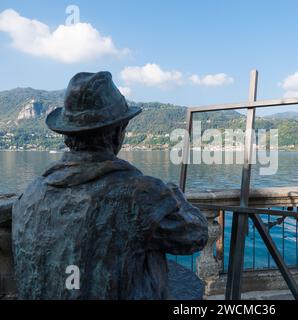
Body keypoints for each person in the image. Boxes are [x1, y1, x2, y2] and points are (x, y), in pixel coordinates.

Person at [12, 71, 208, 299]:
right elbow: (196, 235)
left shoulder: (30, 194)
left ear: (67, 135)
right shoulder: (139, 194)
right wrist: (173, 195)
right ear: (118, 133)